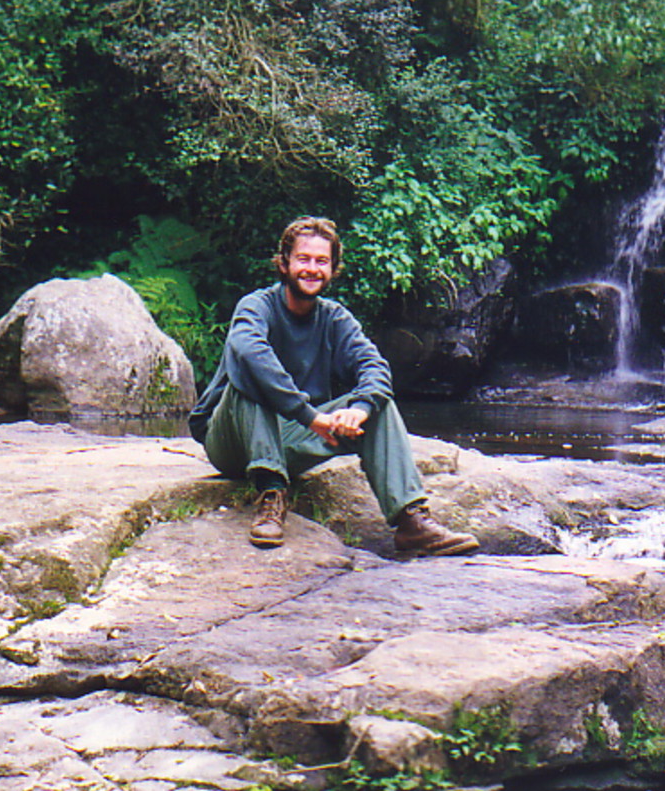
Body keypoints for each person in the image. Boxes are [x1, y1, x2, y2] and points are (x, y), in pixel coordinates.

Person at [188, 215, 480, 556]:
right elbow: (251, 354)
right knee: (251, 376)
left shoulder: (334, 317)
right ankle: (270, 496)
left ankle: (411, 521)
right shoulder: (255, 307)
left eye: (321, 261)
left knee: (379, 403)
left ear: (333, 268)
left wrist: (359, 409)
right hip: (232, 440)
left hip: (292, 435)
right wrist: (310, 416)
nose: (312, 269)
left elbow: (374, 366)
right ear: (284, 263)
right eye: (303, 259)